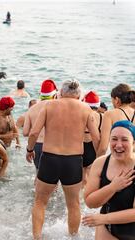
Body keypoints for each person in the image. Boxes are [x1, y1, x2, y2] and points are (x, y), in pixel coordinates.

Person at [26, 79, 100, 239]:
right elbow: (96, 137)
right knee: (73, 204)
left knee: (40, 201)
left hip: (50, 159)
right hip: (73, 161)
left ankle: (37, 237)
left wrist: (29, 149)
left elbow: (33, 133)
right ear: (79, 94)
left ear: (60, 92)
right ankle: (73, 236)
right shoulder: (86, 109)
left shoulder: (49, 106)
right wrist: (100, 159)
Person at [83, 120, 135, 240]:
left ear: (134, 143)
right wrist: (112, 187)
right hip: (107, 230)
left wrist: (104, 218)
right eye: (114, 139)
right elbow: (90, 202)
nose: (118, 144)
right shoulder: (100, 163)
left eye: (124, 139)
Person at [23, 79, 57, 170]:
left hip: (36, 145)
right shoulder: (58, 107)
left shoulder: (32, 109)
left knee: (39, 175)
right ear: (54, 95)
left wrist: (29, 150)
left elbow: (25, 132)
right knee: (53, 177)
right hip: (53, 145)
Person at [98, 84, 135, 156]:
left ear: (117, 100)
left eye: (112, 100)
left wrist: (97, 161)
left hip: (118, 157)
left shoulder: (109, 114)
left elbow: (103, 147)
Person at [82, 91, 102, 186]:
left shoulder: (81, 115)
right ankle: (88, 198)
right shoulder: (102, 117)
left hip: (80, 149)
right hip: (93, 149)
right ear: (98, 105)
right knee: (91, 179)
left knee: (81, 179)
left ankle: (80, 198)